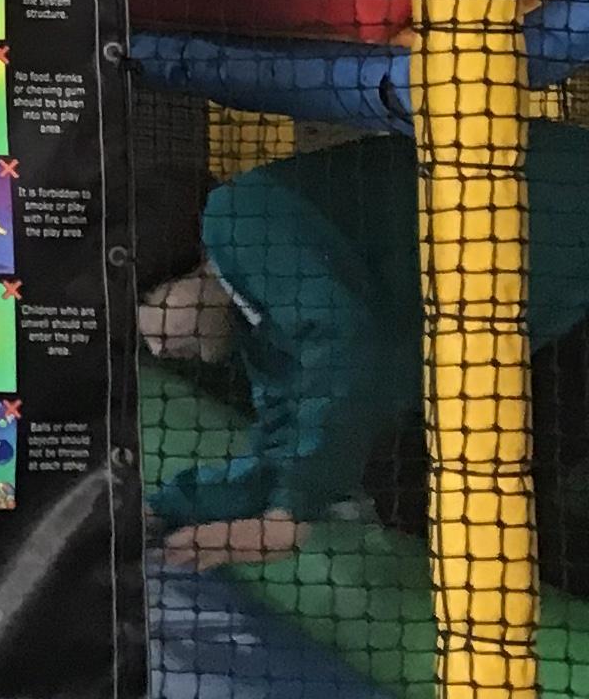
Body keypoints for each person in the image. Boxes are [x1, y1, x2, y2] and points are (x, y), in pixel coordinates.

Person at [140, 125, 589, 569]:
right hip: (530, 313)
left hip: (566, 252)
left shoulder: (237, 218)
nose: (157, 348)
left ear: (196, 263)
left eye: (148, 303)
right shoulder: (260, 322)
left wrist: (289, 515)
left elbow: (346, 344)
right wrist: (162, 512)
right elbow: (284, 446)